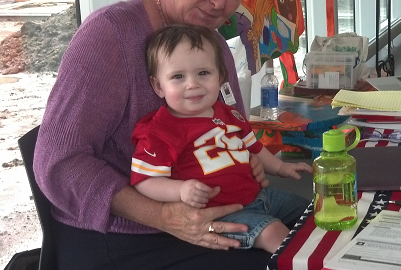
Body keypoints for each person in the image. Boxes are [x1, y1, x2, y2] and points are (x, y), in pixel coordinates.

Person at [33, 0, 305, 270]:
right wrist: (164, 215)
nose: (220, 3)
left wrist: (242, 163)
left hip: (202, 218)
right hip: (122, 243)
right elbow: (59, 162)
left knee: (312, 231)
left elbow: (225, 122)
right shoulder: (110, 36)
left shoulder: (210, 43)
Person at [131, 25, 311, 253]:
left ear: (220, 76)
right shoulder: (158, 132)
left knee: (310, 211)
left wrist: (281, 167)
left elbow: (254, 148)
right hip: (224, 213)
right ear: (159, 86)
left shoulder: (229, 114)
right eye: (178, 76)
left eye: (203, 73)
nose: (192, 84)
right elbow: (144, 181)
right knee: (273, 233)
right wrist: (180, 190)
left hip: (262, 196)